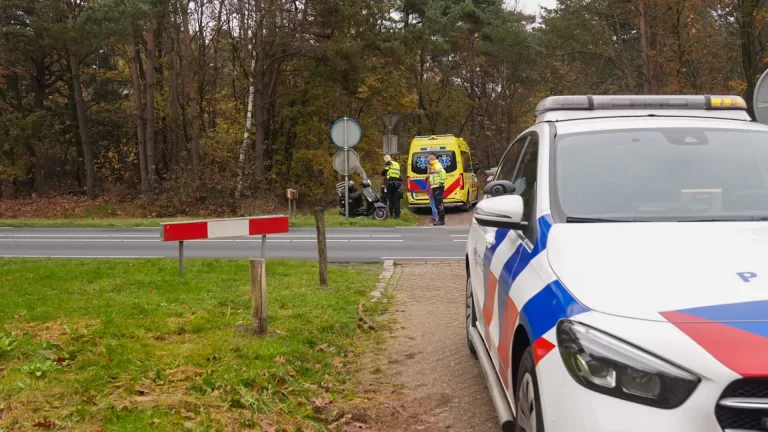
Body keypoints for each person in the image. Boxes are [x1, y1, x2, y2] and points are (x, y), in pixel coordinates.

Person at [381, 154, 402, 218]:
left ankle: (384, 213)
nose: (385, 161)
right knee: (396, 200)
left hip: (390, 183)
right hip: (397, 184)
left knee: (385, 198)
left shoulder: (389, 163)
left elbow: (383, 172)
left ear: (386, 159)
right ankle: (397, 216)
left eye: (385, 160)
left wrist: (383, 173)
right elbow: (399, 175)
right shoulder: (397, 164)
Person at [428, 154, 446, 226]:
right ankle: (440, 219)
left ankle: (441, 220)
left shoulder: (436, 164)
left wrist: (441, 182)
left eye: (428, 160)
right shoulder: (433, 165)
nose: (428, 162)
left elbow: (443, 172)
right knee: (437, 203)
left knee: (439, 203)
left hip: (438, 186)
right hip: (435, 186)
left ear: (431, 160)